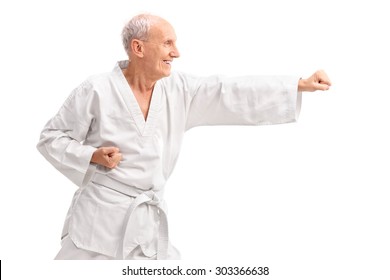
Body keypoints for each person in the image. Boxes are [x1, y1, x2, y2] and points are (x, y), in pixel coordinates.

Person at [37, 13, 331, 260]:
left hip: (147, 231)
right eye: (167, 43)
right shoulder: (97, 89)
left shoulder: (177, 90)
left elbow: (227, 92)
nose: (176, 52)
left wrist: (296, 85)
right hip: (96, 229)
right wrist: (92, 155)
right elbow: (51, 137)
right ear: (138, 48)